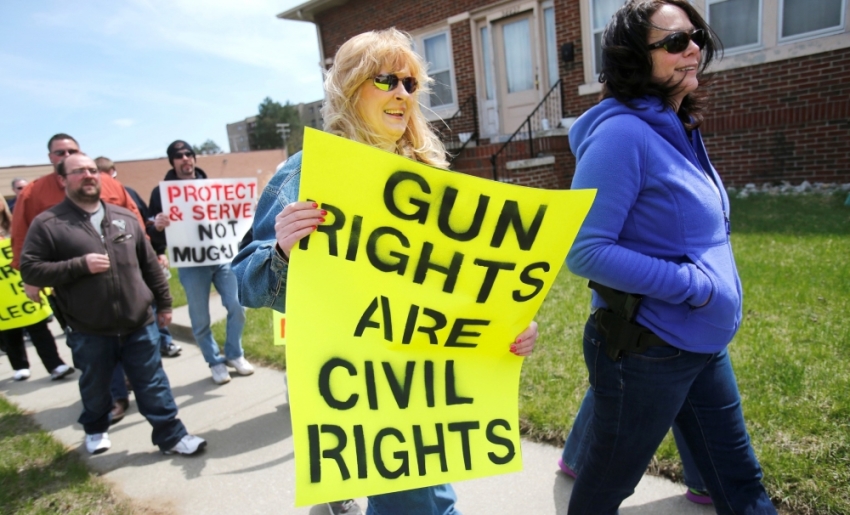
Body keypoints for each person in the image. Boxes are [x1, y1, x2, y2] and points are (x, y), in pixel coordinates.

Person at [232, 28, 538, 515]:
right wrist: (284, 253)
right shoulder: (306, 170)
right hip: (358, 375)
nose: (402, 93)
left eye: (411, 84)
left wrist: (509, 320)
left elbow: (462, 277)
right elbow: (246, 279)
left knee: (424, 494)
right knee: (424, 504)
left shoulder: (429, 172)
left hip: (424, 371)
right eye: (386, 79)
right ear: (351, 87)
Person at [559, 1, 776, 513]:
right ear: (636, 57)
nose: (694, 48)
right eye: (675, 42)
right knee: (606, 486)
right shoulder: (621, 136)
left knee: (739, 480)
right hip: (647, 351)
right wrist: (694, 287)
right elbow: (585, 250)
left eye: (694, 35)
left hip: (701, 344)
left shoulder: (679, 128)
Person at [20, 152, 205, 456]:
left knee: (154, 384)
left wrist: (165, 303)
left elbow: (148, 266)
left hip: (138, 323)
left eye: (93, 170)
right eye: (79, 171)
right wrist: (79, 265)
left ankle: (172, 436)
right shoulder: (48, 223)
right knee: (96, 387)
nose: (90, 175)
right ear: (63, 179)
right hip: (89, 328)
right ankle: (95, 428)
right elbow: (30, 269)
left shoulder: (125, 217)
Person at [10, 134, 147, 340]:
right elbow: (21, 234)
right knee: (92, 344)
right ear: (50, 157)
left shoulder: (108, 183)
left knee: (137, 340)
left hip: (125, 278)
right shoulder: (33, 192)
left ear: (81, 152)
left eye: (72, 152)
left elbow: (134, 218)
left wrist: (149, 255)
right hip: (73, 286)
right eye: (60, 153)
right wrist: (30, 278)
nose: (66, 155)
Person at [147, 141, 252, 385]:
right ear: (172, 161)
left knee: (238, 307)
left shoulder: (211, 186)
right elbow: (154, 232)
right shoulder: (161, 193)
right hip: (191, 263)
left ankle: (235, 354)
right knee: (200, 317)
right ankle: (214, 361)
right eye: (179, 156)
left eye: (188, 154)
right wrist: (158, 227)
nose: (185, 158)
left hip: (222, 257)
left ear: (194, 158)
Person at [94, 157, 181, 358]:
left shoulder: (128, 194)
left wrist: (157, 251)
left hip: (135, 259)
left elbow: (145, 223)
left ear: (114, 172)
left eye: (105, 173)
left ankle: (163, 341)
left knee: (148, 301)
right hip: (105, 266)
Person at [0, 196, 72, 382]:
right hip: (4, 295)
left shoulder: (14, 227)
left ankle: (55, 365)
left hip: (25, 286)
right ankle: (20, 366)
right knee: (10, 332)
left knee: (39, 329)